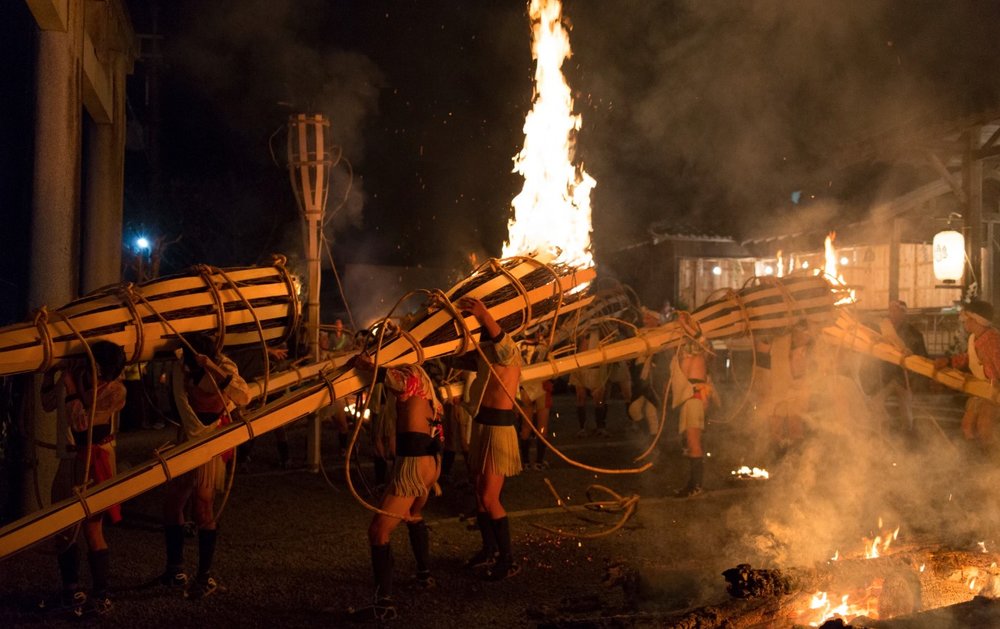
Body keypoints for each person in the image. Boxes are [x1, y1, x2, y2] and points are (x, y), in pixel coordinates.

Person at [350, 355, 444, 619]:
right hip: (427, 462)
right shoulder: (427, 383)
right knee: (412, 514)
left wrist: (368, 366)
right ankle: (424, 575)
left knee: (378, 531)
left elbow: (399, 382)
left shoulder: (410, 374)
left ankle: (384, 605)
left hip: (414, 464)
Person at [41, 341, 127, 616]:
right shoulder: (76, 376)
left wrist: (71, 386)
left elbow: (81, 422)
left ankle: (101, 594)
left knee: (92, 527)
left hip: (96, 458)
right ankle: (71, 589)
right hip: (71, 457)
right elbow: (46, 404)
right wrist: (48, 375)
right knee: (63, 524)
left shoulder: (116, 390)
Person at [161, 333, 250, 599]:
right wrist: (194, 437)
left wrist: (211, 366)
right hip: (191, 437)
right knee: (173, 503)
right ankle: (176, 569)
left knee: (203, 505)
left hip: (212, 439)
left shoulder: (226, 367)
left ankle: (205, 576)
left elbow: (243, 396)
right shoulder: (181, 369)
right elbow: (182, 404)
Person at [454, 296, 522, 580]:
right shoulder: (487, 355)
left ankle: (508, 561)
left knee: (489, 497)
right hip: (483, 426)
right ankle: (489, 551)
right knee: (479, 495)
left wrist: (482, 312)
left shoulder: (509, 352)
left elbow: (497, 336)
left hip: (498, 430)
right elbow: (459, 357)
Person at [669, 317, 719, 498]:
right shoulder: (683, 348)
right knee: (691, 444)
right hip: (689, 398)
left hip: (696, 397)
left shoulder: (703, 349)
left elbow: (701, 339)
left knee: (694, 443)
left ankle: (696, 486)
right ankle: (692, 484)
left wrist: (685, 325)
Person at [945, 300, 1000, 457]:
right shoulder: (973, 339)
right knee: (968, 426)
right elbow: (968, 358)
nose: (964, 322)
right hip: (982, 391)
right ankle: (977, 459)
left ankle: (991, 462)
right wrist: (948, 362)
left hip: (995, 393)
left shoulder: (994, 340)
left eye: (967, 318)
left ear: (977, 320)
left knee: (984, 427)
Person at [873, 300, 927, 433]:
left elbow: (923, 356)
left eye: (896, 310)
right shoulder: (883, 331)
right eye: (891, 310)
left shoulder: (914, 334)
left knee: (906, 409)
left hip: (904, 376)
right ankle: (884, 428)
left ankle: (907, 435)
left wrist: (911, 353)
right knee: (875, 403)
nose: (892, 314)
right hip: (887, 376)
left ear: (904, 313)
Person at [518, 330, 552, 470]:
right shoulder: (544, 347)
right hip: (541, 387)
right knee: (542, 426)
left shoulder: (517, 347)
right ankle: (538, 462)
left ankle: (525, 462)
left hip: (524, 388)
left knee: (526, 426)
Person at [568, 330, 611, 438]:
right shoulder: (579, 325)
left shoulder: (602, 326)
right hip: (579, 366)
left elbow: (609, 338)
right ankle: (582, 428)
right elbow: (571, 342)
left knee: (599, 400)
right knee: (580, 398)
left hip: (597, 367)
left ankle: (600, 427)